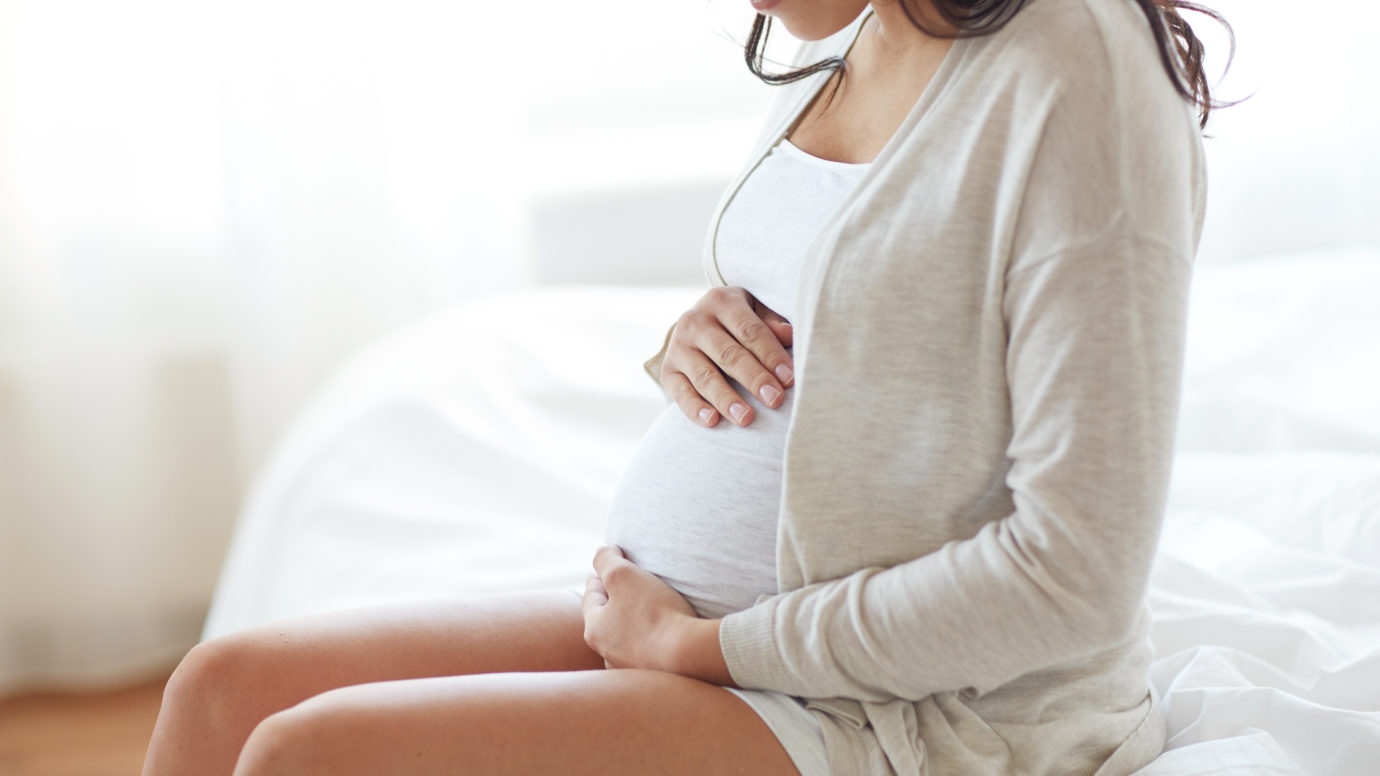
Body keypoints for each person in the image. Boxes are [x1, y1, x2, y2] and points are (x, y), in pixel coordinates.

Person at [142, 0, 1230, 773]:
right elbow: (870, 293)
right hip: (711, 625)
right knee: (221, 688)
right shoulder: (870, 25)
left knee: (306, 755)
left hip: (908, 713)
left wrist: (699, 648)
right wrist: (695, 336)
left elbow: (1072, 574)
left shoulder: (1079, 68)